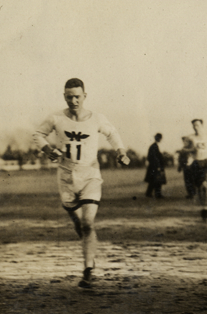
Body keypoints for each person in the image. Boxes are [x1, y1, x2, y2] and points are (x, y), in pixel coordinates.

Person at [32, 78, 130, 288]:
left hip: (90, 175)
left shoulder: (96, 118)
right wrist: (48, 150)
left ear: (85, 96)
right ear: (64, 97)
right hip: (67, 178)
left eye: (77, 96)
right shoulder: (56, 118)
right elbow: (38, 135)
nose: (74, 100)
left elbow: (112, 134)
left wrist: (120, 151)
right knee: (79, 225)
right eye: (69, 97)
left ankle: (88, 270)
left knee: (87, 223)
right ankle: (89, 250)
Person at [181, 118, 207, 221]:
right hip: (196, 163)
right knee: (199, 187)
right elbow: (185, 149)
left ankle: (205, 207)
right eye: (194, 125)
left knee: (204, 185)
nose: (195, 127)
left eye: (197, 125)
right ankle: (203, 207)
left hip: (206, 163)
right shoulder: (191, 138)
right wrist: (189, 150)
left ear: (202, 126)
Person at [144, 133, 166, 199]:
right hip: (155, 167)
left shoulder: (154, 146)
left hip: (154, 166)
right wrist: (158, 166)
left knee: (153, 181)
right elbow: (153, 158)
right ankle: (157, 194)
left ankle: (149, 193)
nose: (160, 139)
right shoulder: (154, 146)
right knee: (157, 180)